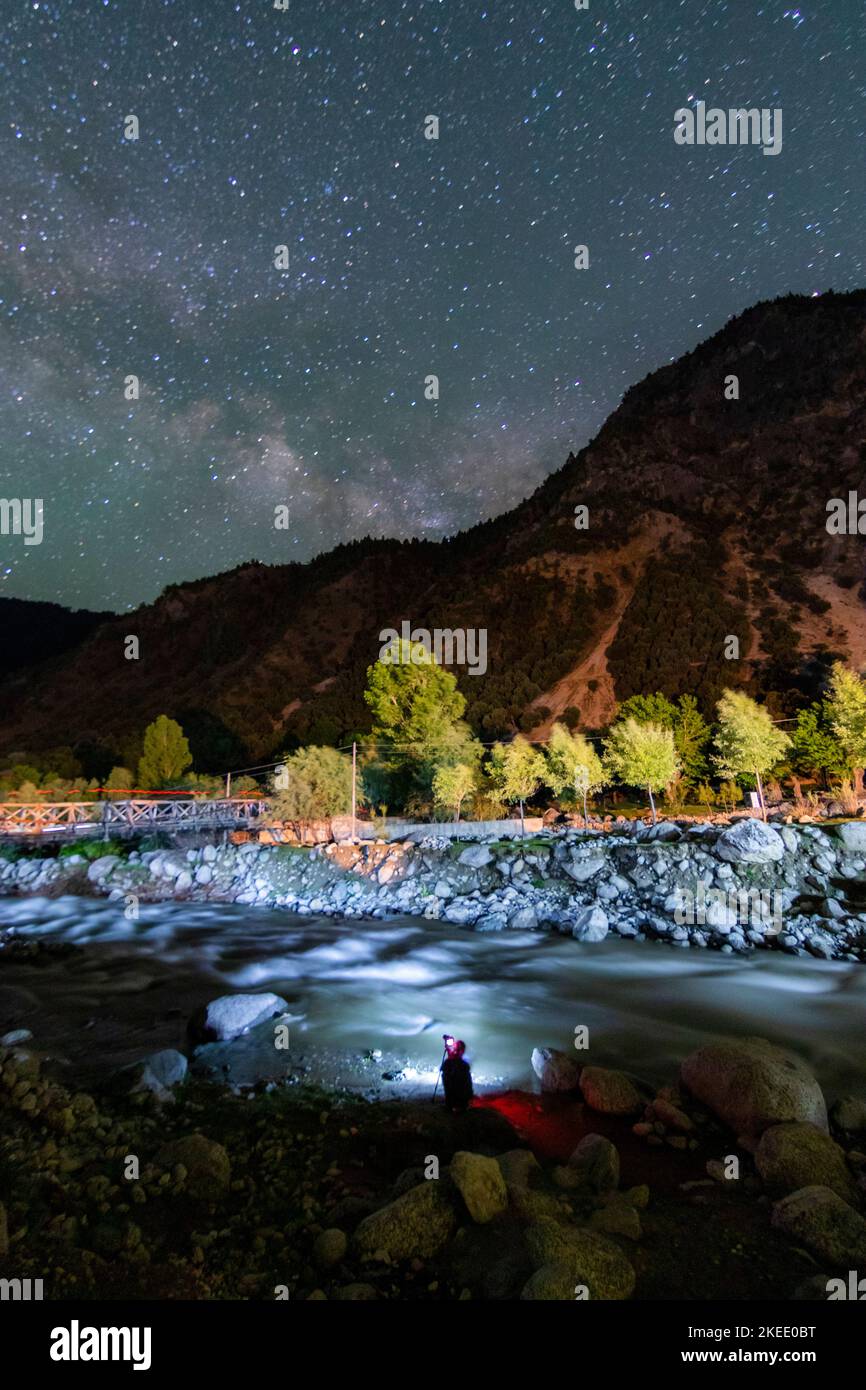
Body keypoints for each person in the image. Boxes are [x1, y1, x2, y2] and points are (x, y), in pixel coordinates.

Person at [441, 1035, 473, 1113]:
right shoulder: (454, 1062)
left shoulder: (463, 1065)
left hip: (461, 1092)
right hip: (460, 1092)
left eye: (458, 1048)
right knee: (449, 1079)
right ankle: (454, 1104)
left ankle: (456, 1104)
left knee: (453, 1082)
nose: (455, 1049)